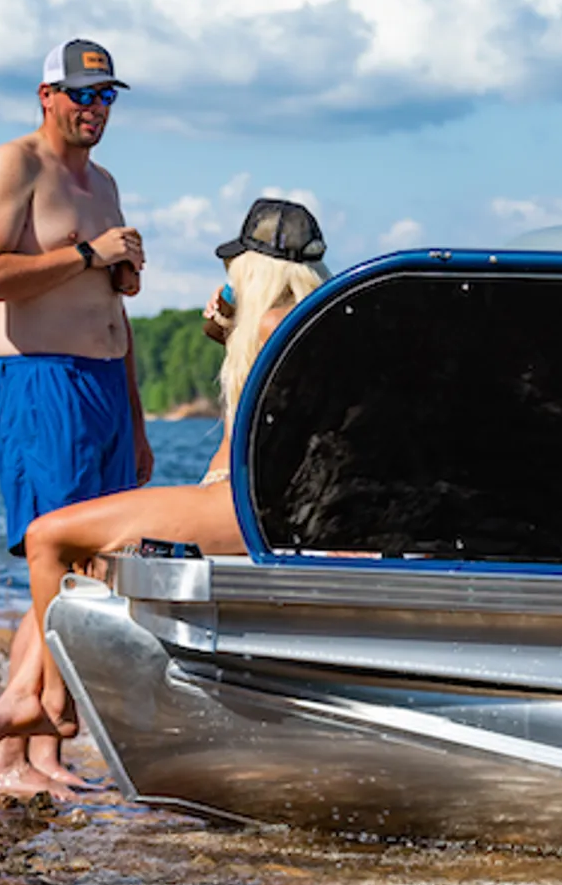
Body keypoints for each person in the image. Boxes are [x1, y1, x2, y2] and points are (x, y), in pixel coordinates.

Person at [16, 200, 330, 708]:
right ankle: (47, 695)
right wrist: (229, 319)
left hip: (248, 508)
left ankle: (54, 703)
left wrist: (235, 313)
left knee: (47, 537)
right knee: (96, 547)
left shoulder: (277, 326)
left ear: (252, 269)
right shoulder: (312, 325)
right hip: (254, 502)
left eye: (234, 269)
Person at [0, 38, 154, 800]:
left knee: (92, 569)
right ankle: (4, 761)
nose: (95, 108)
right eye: (81, 94)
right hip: (41, 383)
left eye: (106, 95)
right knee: (58, 564)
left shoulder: (103, 182)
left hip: (104, 385)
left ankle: (42, 756)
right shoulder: (14, 165)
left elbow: (113, 310)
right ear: (46, 95)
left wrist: (136, 421)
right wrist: (88, 254)